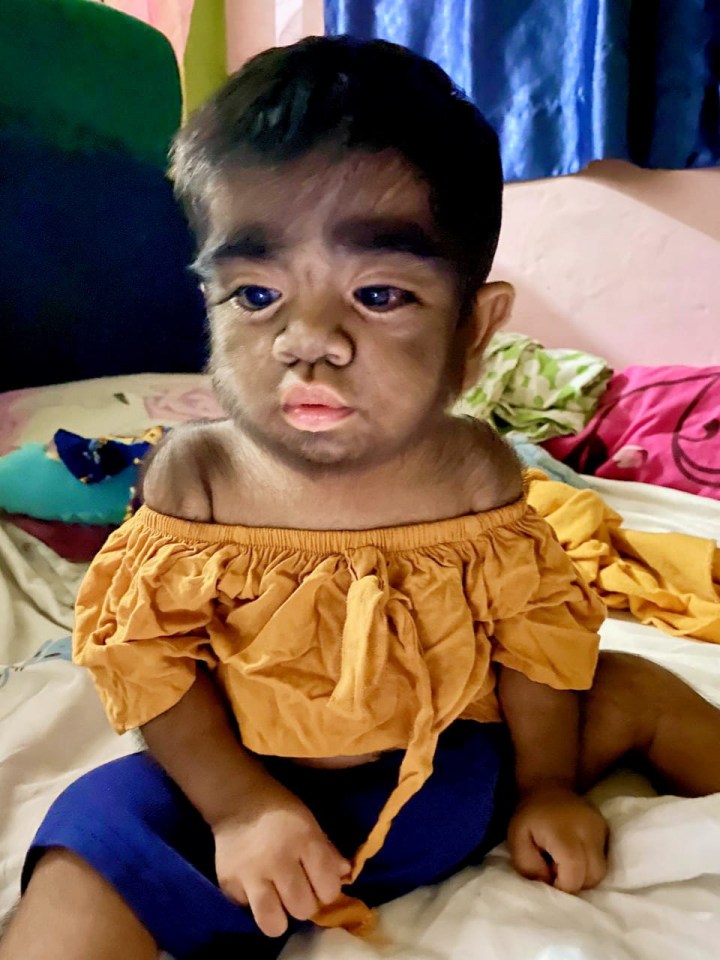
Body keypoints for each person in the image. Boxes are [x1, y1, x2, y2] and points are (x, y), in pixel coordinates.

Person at [2, 35, 719, 960]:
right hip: (233, 798)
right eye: (256, 294)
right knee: (86, 846)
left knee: (637, 687)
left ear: (475, 333)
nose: (310, 341)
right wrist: (242, 807)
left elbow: (535, 646)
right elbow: (148, 664)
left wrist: (546, 786)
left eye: (378, 293)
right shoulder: (198, 477)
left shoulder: (475, 475)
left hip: (449, 776)